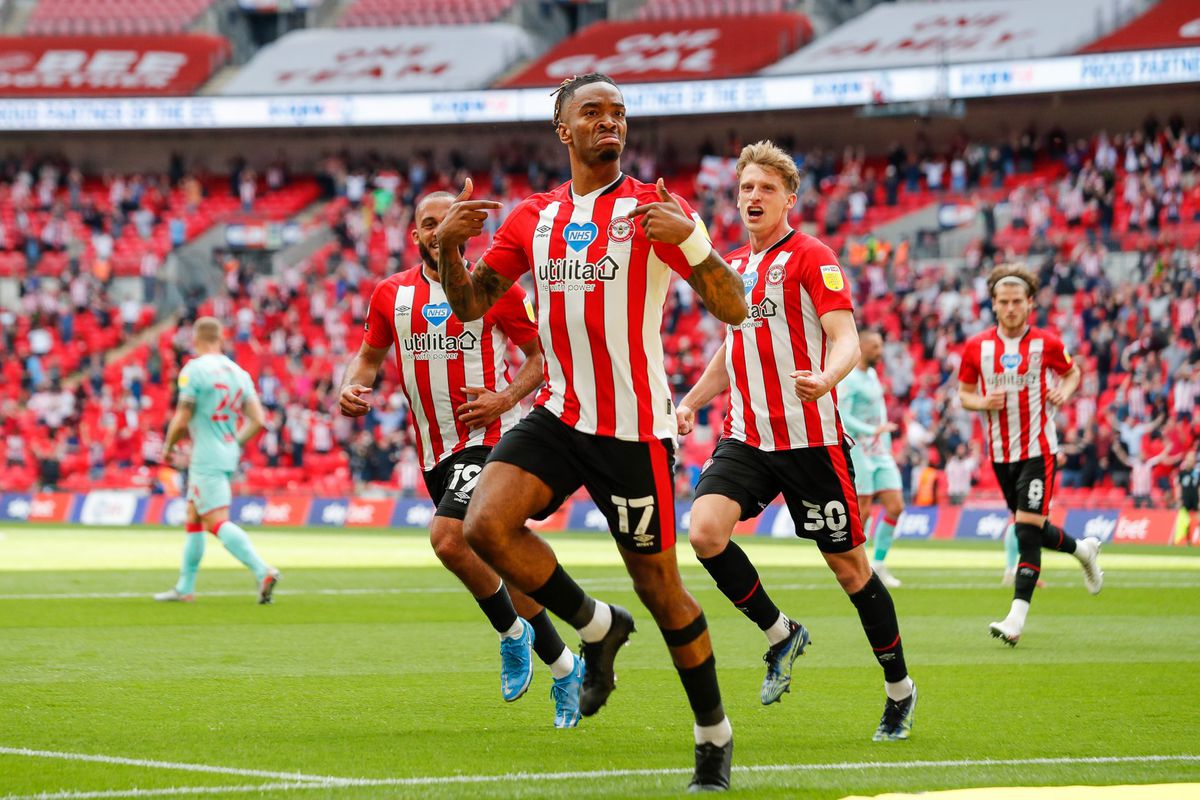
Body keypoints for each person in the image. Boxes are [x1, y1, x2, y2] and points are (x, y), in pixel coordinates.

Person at [434, 73, 748, 791]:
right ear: (563, 131)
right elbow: (473, 306)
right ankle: (598, 625)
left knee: (663, 589)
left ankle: (713, 738)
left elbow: (733, 308)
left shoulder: (652, 209)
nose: (610, 122)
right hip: (561, 411)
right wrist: (451, 249)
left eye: (619, 114)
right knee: (483, 525)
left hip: (634, 428)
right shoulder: (531, 218)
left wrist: (696, 244)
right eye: (593, 113)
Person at [675, 140, 917, 743]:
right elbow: (731, 354)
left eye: (766, 188)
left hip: (811, 441)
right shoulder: (732, 268)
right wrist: (690, 402)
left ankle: (899, 691)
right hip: (748, 438)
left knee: (851, 571)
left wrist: (829, 377)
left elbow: (846, 337)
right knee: (704, 532)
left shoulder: (813, 257)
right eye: (746, 187)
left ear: (789, 198)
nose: (753, 196)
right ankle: (781, 632)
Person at [338, 191, 584, 728]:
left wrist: (504, 398)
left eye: (446, 222)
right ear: (415, 234)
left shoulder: (495, 291)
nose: (436, 231)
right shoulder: (390, 295)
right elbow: (368, 358)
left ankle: (511, 633)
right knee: (505, 566)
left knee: (448, 538)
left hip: (491, 439)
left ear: (465, 232)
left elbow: (542, 358)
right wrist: (352, 390)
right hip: (433, 451)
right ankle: (566, 667)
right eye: (428, 223)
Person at [958, 264, 1102, 647]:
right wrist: (980, 402)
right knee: (1034, 527)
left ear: (1030, 303)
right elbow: (964, 394)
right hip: (1001, 453)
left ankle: (1016, 618)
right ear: (993, 304)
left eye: (1017, 301)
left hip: (1039, 448)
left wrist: (1065, 392)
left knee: (1025, 530)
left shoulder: (1048, 343)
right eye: (1003, 302)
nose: (1010, 308)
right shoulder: (976, 347)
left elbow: (1072, 373)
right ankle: (1083, 550)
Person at [155, 317, 280, 604]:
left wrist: (168, 447)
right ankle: (185, 588)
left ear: (196, 340)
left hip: (206, 455)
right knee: (194, 516)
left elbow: (183, 415)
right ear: (221, 339)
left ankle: (262, 570)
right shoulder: (239, 373)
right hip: (227, 451)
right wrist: (234, 443)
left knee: (215, 521)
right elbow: (258, 420)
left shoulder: (194, 370)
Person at [838, 331, 906, 588]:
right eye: (876, 346)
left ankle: (878, 563)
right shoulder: (849, 379)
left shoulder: (873, 375)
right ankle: (858, 566)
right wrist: (872, 431)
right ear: (862, 347)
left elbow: (877, 411)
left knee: (895, 505)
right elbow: (843, 415)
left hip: (880, 451)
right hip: (860, 449)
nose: (880, 350)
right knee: (863, 508)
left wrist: (884, 442)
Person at [1173, 449, 1200, 546]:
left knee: (1197, 521)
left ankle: (1196, 540)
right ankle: (1183, 541)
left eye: (1192, 459)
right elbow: (1178, 487)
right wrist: (1178, 499)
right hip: (1185, 501)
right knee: (1183, 523)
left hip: (1195, 501)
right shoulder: (1182, 473)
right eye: (1189, 459)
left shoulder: (1197, 473)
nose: (1190, 461)